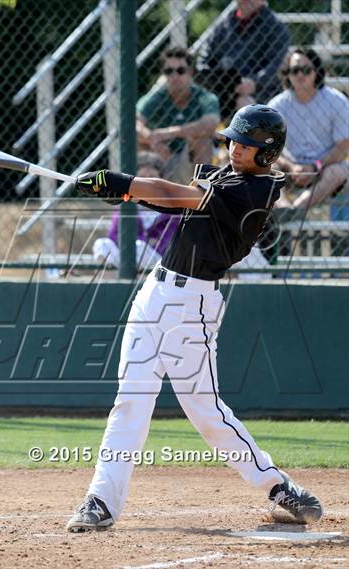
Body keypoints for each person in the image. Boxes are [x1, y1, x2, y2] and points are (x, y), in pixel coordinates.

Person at [67, 104, 323, 532]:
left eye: (244, 143)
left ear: (266, 152)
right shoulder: (225, 175)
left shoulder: (258, 191)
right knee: (131, 398)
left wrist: (127, 182)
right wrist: (128, 192)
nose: (233, 147)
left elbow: (182, 196)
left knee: (205, 409)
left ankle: (277, 486)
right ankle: (101, 500)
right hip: (155, 292)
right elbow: (177, 205)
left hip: (194, 307)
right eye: (232, 140)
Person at [268, 47, 349, 212]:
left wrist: (315, 166)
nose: (300, 75)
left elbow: (343, 146)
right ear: (288, 74)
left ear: (316, 72)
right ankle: (283, 208)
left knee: (338, 172)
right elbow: (267, 147)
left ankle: (294, 212)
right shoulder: (277, 105)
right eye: (295, 70)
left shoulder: (336, 100)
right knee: (265, 169)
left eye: (306, 70)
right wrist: (291, 167)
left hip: (325, 166)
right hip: (289, 169)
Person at [137, 46, 220, 184]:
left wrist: (171, 133)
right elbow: (134, 123)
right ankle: (142, 197)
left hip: (188, 163)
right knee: (138, 139)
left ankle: (201, 193)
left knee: (202, 139)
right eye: (169, 71)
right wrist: (152, 139)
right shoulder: (157, 97)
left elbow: (211, 124)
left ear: (191, 72)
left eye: (181, 71)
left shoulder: (204, 97)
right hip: (160, 158)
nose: (174, 76)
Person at [196, 0, 290, 120]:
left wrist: (254, 82)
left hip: (257, 92)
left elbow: (275, 65)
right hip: (220, 88)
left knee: (246, 106)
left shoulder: (276, 27)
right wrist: (213, 79)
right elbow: (203, 60)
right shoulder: (223, 24)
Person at [92, 152, 179, 269]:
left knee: (138, 247)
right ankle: (114, 281)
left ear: (161, 180)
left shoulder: (170, 206)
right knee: (102, 244)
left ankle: (136, 280)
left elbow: (166, 243)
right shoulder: (126, 203)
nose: (147, 182)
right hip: (127, 255)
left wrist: (139, 242)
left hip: (158, 259)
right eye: (142, 177)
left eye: (152, 177)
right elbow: (113, 236)